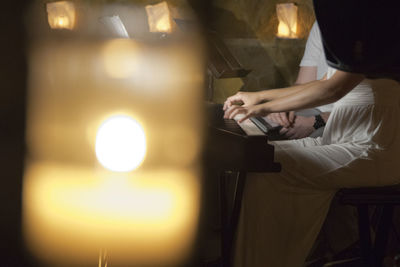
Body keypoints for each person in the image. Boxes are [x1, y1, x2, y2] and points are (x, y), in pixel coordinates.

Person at [223, 43, 400, 266]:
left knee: (268, 167)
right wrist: (260, 97)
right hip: (344, 137)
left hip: (375, 146)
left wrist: (264, 108)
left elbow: (332, 91)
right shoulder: (354, 34)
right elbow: (324, 82)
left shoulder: (377, 30)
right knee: (254, 159)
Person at [267, 22, 332, 140]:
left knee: (284, 147)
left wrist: (317, 121)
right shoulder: (320, 23)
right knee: (266, 128)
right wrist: (284, 103)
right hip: (315, 108)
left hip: (342, 119)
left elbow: (331, 87)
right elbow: (303, 83)